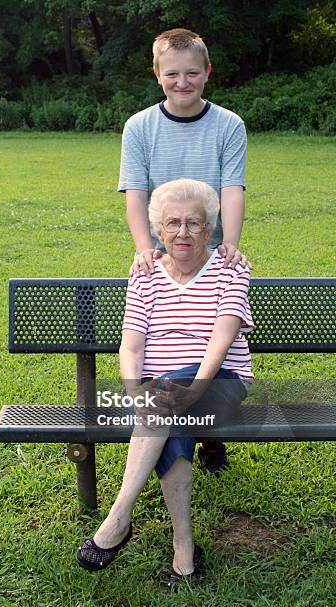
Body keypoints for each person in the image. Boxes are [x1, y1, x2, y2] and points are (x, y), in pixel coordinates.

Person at [77, 179, 254, 583]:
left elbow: (222, 338)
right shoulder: (145, 274)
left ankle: (117, 519)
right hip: (160, 393)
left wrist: (194, 390)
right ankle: (184, 551)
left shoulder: (231, 269)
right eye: (172, 223)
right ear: (158, 228)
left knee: (166, 400)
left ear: (210, 229)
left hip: (219, 383)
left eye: (194, 223)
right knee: (165, 416)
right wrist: (133, 392)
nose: (183, 232)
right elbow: (132, 345)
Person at [118, 28, 250, 474]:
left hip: (209, 247)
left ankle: (208, 431)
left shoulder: (228, 124)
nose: (182, 82)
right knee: (168, 345)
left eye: (192, 73)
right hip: (164, 248)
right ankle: (193, 429)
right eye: (172, 73)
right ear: (157, 74)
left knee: (212, 337)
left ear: (207, 72)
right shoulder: (140, 126)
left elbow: (232, 189)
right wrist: (144, 249)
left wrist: (229, 242)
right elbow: (135, 194)